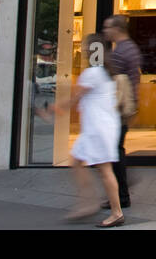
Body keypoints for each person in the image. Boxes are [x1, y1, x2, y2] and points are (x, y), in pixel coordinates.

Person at [37, 33, 124, 227]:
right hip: (99, 127)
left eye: (86, 48)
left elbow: (75, 98)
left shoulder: (93, 73)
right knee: (78, 161)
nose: (84, 51)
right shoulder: (105, 71)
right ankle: (88, 202)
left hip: (98, 128)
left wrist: (54, 108)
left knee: (105, 170)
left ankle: (115, 212)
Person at [103, 14, 141, 210]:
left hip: (118, 108)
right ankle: (120, 192)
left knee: (114, 151)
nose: (105, 31)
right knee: (115, 149)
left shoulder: (120, 52)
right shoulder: (131, 48)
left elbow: (115, 82)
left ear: (117, 29)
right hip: (125, 106)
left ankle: (121, 195)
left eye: (108, 28)